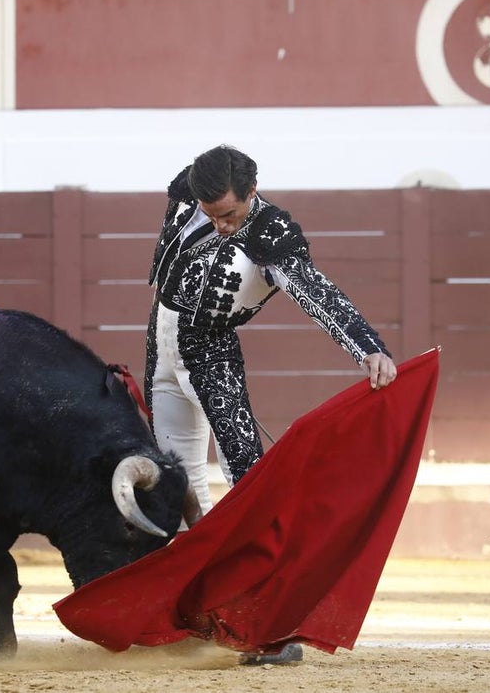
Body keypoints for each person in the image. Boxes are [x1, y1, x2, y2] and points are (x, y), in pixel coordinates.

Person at [144, 145, 397, 664]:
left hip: (212, 352)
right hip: (161, 346)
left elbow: (311, 290)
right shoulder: (188, 189)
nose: (219, 225)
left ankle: (275, 627)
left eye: (229, 215)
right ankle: (205, 606)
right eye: (210, 214)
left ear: (252, 195)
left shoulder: (271, 233)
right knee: (178, 483)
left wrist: (365, 345)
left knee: (248, 481)